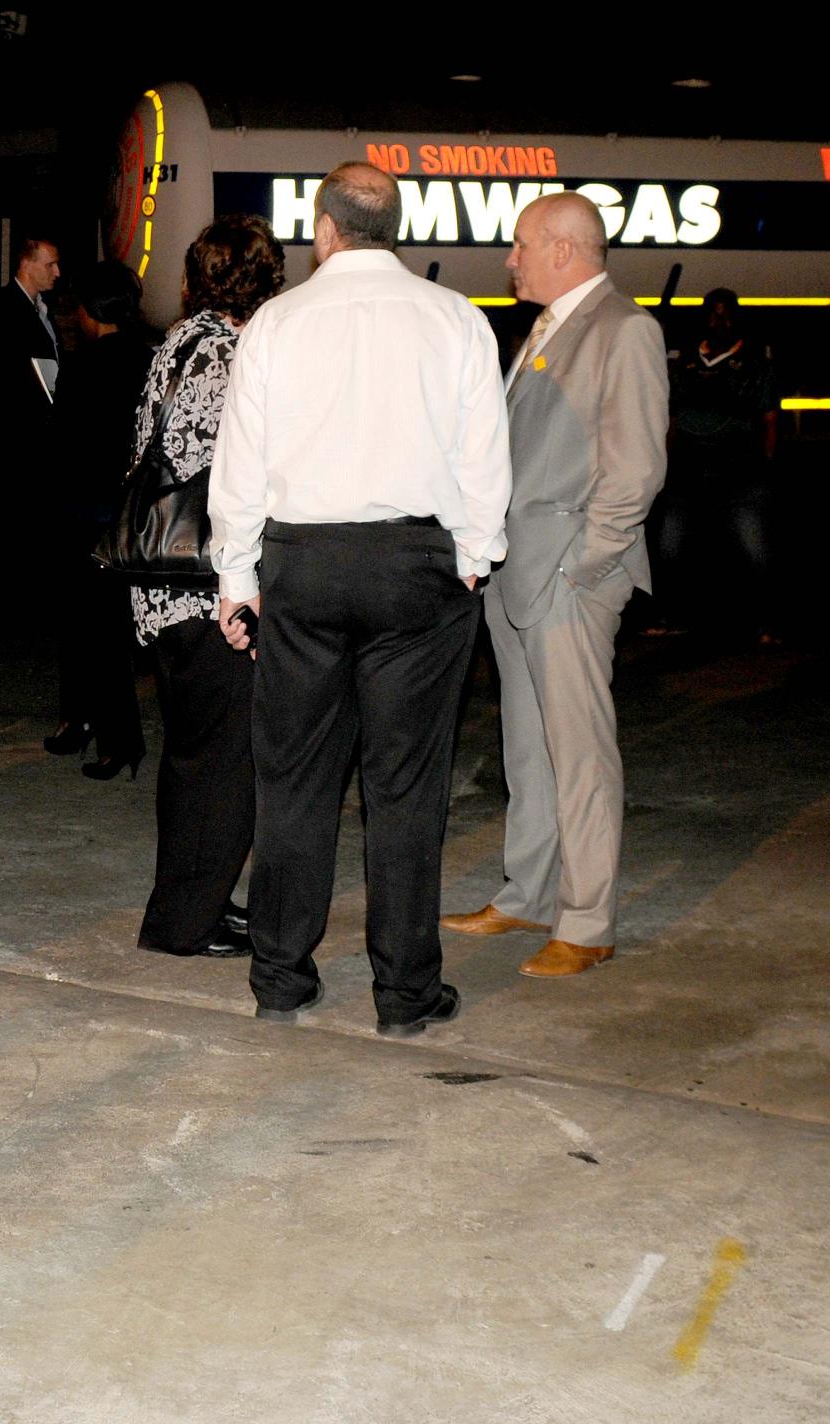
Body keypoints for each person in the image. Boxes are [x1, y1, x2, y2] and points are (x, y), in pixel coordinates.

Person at [209, 161, 510, 1036]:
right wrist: (475, 553)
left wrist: (237, 578)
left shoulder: (278, 322)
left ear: (324, 230)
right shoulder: (455, 318)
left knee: (295, 778)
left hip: (303, 566)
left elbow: (241, 465)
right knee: (406, 786)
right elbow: (484, 454)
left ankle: (280, 978)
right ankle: (405, 995)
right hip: (417, 568)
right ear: (394, 229)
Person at [441, 192, 668, 978]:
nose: (511, 260)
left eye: (521, 245)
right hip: (520, 572)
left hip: (568, 576)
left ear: (563, 249)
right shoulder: (549, 324)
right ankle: (529, 894)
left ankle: (587, 920)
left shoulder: (624, 329)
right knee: (529, 748)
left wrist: (584, 567)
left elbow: (636, 471)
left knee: (579, 754)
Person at [131, 220, 284, 959]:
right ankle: (186, 922)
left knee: (195, 757)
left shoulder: (180, 340)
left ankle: (196, 903)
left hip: (165, 586)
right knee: (223, 763)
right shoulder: (235, 354)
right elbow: (240, 478)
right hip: (211, 587)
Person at [45, 260, 156, 779]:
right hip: (133, 511)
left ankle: (112, 734)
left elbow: (63, 438)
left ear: (91, 313)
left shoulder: (85, 364)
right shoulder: (149, 357)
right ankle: (92, 725)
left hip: (87, 511)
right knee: (107, 628)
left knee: (88, 627)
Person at [652, 288, 778, 637]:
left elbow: (770, 418)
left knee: (752, 544)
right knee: (670, 542)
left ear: (737, 318)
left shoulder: (755, 363)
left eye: (725, 315)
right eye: (713, 314)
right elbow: (671, 416)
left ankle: (765, 621)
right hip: (688, 462)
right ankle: (669, 616)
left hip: (739, 464)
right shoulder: (685, 362)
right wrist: (664, 463)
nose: (719, 321)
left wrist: (767, 464)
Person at [0, 235, 62, 471]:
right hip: (15, 438)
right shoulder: (0, 309)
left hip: (42, 435)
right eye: (50, 265)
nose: (57, 272)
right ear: (26, 265)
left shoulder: (42, 308)